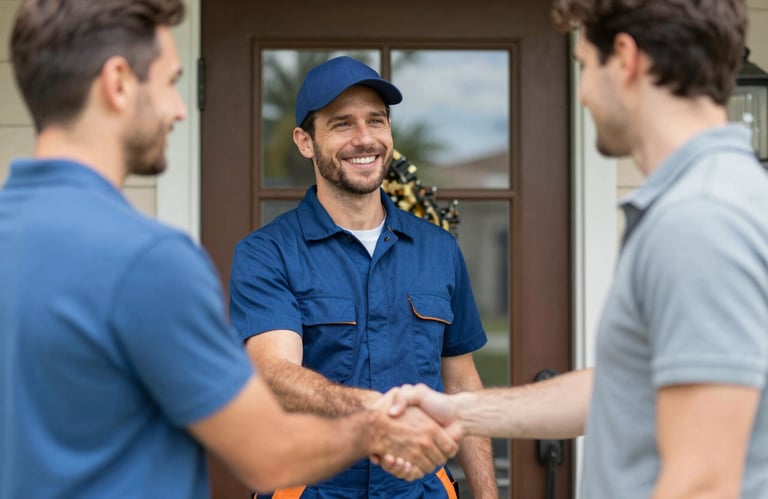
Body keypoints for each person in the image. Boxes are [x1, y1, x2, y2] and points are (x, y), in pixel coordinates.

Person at [0, 2, 462, 498]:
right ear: (118, 83)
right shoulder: (149, 260)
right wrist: (382, 424)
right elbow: (268, 455)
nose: (179, 109)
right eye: (169, 82)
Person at [388, 0, 768, 498]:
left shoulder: (698, 220)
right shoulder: (711, 199)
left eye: (586, 66)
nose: (583, 94)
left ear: (627, 60)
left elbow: (702, 483)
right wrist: (459, 410)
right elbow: (624, 387)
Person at [228, 56, 497, 499]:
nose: (365, 138)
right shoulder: (268, 253)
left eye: (377, 120)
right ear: (305, 141)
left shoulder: (438, 249)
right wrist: (383, 412)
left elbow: (462, 383)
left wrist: (488, 496)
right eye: (342, 124)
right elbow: (274, 372)